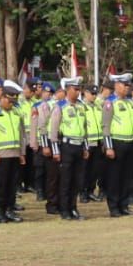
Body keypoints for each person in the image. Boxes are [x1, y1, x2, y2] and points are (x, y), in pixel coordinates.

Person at [48, 78, 90, 221]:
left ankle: (73, 208)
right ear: (67, 89)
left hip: (79, 146)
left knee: (77, 181)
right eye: (75, 89)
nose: (78, 92)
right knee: (65, 180)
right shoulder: (60, 106)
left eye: (79, 89)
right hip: (66, 146)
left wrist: (85, 147)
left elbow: (84, 129)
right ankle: (64, 209)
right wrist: (56, 151)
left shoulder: (81, 106)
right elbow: (53, 131)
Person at [0, 89, 26, 223]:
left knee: (12, 185)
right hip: (1, 155)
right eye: (9, 100)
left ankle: (9, 209)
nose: (11, 104)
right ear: (2, 98)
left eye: (14, 101)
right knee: (0, 185)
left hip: (14, 153)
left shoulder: (15, 111)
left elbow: (21, 134)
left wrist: (22, 153)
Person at [100, 74, 133, 218]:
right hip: (116, 143)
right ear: (117, 85)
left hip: (129, 142)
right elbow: (106, 125)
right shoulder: (110, 102)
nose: (127, 88)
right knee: (115, 176)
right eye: (125, 85)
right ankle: (114, 206)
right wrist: (109, 147)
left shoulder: (129, 103)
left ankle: (124, 204)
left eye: (128, 85)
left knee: (127, 176)